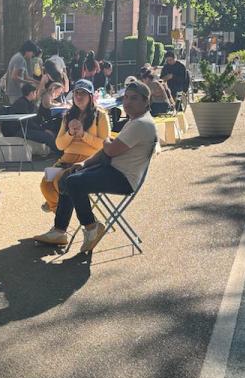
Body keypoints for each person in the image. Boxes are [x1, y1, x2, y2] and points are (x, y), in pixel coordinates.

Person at [35, 81, 156, 252]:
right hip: (100, 165)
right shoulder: (134, 121)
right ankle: (60, 230)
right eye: (126, 97)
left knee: (71, 182)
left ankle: (91, 227)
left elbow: (108, 149)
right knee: (53, 182)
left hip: (122, 176)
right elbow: (64, 145)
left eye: (134, 98)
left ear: (146, 101)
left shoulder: (137, 123)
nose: (127, 102)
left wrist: (87, 137)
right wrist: (80, 156)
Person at [39, 79, 110, 214]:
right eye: (76, 93)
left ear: (90, 96)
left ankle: (60, 219)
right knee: (45, 183)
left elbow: (104, 145)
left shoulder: (100, 115)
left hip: (88, 162)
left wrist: (83, 135)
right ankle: (57, 209)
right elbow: (59, 145)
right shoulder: (67, 116)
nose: (78, 96)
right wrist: (70, 133)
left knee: (59, 181)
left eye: (83, 93)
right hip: (66, 160)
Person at [7, 82, 59, 154]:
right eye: (35, 92)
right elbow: (27, 122)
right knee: (47, 136)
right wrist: (43, 130)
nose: (36, 94)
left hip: (28, 127)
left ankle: (59, 149)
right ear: (32, 93)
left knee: (53, 128)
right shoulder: (21, 103)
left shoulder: (29, 102)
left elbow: (36, 118)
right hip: (20, 129)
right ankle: (59, 152)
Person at [5, 40, 42, 104]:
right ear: (27, 51)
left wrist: (38, 82)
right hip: (15, 91)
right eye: (32, 52)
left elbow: (26, 77)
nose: (32, 55)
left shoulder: (22, 59)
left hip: (19, 91)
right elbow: (14, 77)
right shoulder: (19, 59)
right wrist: (28, 82)